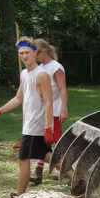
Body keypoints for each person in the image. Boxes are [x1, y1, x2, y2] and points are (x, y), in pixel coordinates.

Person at [0, 37, 55, 196]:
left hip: (36, 126)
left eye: (28, 53)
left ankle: (19, 197)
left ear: (35, 53)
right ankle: (77, 178)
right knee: (46, 156)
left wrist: (48, 127)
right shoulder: (24, 74)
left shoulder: (41, 75)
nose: (24, 56)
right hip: (29, 124)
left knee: (23, 159)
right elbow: (18, 98)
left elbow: (49, 103)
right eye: (21, 53)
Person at [30, 38, 68, 185]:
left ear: (44, 51)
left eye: (36, 52)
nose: (34, 55)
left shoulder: (55, 67)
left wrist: (63, 109)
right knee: (45, 141)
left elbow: (63, 89)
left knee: (57, 141)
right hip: (44, 110)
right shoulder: (40, 67)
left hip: (55, 110)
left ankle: (70, 171)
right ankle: (39, 171)